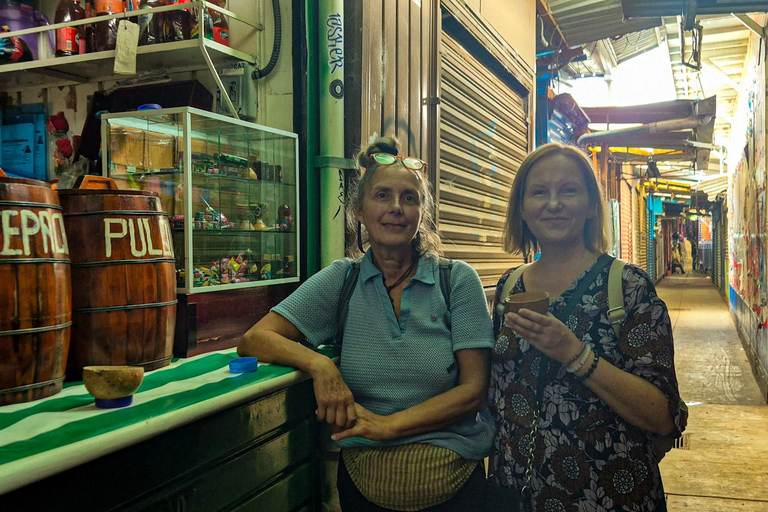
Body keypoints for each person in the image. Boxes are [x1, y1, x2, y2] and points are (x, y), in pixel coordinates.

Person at [238, 135, 495, 511]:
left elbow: (475, 391)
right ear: (359, 211)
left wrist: (388, 426)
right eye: (382, 196)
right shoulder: (343, 280)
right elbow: (255, 339)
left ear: (421, 214)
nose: (396, 208)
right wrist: (320, 365)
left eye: (410, 198)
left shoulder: (456, 280)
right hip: (365, 481)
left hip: (453, 479)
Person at [487, 143, 686, 511]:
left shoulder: (627, 286)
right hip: (515, 492)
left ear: (592, 206)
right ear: (522, 209)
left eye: (569, 190)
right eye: (539, 192)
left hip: (608, 494)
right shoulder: (508, 287)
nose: (553, 203)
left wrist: (574, 354)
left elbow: (662, 415)